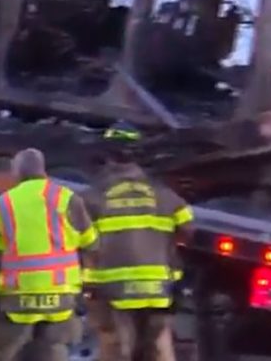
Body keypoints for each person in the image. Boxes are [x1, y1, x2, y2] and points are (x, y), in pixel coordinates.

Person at [83, 121, 195, 361]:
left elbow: (75, 241)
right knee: (159, 343)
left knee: (114, 344)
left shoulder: (92, 198)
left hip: (112, 288)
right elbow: (187, 229)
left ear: (107, 156)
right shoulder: (165, 196)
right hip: (158, 287)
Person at [0, 148, 98, 361]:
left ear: (17, 172)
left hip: (16, 297)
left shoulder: (2, 204)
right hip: (62, 296)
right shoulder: (68, 199)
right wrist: (84, 285)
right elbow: (91, 244)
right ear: (43, 170)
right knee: (56, 348)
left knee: (7, 352)